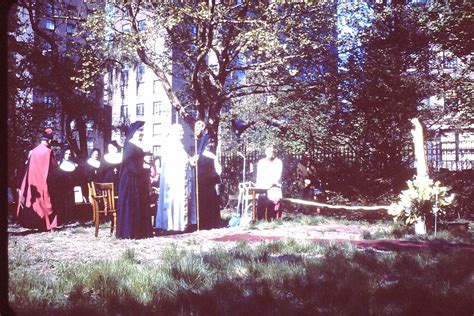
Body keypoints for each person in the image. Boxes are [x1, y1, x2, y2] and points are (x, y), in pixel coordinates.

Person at [155, 123, 197, 232]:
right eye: (180, 131)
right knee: (174, 199)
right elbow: (175, 162)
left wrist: (191, 160)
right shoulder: (171, 144)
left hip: (179, 178)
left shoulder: (178, 144)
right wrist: (189, 161)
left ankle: (181, 223)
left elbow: (184, 160)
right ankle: (174, 224)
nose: (183, 133)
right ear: (174, 132)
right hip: (174, 180)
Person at [116, 121, 153, 239]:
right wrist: (141, 168)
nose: (142, 133)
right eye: (140, 130)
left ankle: (141, 231)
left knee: (140, 203)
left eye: (142, 130)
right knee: (131, 203)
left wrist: (145, 167)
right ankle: (129, 231)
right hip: (130, 179)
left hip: (139, 177)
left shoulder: (138, 143)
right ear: (134, 132)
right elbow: (127, 162)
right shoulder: (130, 144)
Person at [16, 128, 58, 231]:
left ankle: (37, 224)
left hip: (33, 180)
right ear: (49, 141)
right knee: (47, 200)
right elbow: (54, 167)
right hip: (45, 180)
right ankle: (48, 225)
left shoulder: (33, 151)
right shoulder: (48, 152)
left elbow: (27, 167)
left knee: (36, 202)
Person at [50, 147, 79, 224]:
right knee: (61, 203)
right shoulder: (58, 164)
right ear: (63, 154)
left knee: (70, 203)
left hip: (71, 187)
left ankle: (71, 218)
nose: (68, 155)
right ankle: (62, 219)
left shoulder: (74, 165)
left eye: (70, 154)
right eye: (66, 153)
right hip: (61, 188)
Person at [197, 141, 222, 229]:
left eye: (211, 143)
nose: (210, 145)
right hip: (205, 183)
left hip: (207, 183)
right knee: (206, 204)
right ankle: (208, 223)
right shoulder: (203, 156)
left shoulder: (209, 155)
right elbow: (217, 170)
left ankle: (208, 223)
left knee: (208, 203)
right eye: (208, 143)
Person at [256, 145, 283, 220]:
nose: (271, 153)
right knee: (261, 197)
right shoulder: (261, 162)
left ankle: (273, 218)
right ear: (266, 152)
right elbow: (259, 175)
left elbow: (278, 175)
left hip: (274, 186)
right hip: (263, 186)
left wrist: (271, 184)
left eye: (273, 152)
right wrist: (261, 185)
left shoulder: (278, 162)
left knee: (273, 197)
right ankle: (260, 218)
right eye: (270, 152)